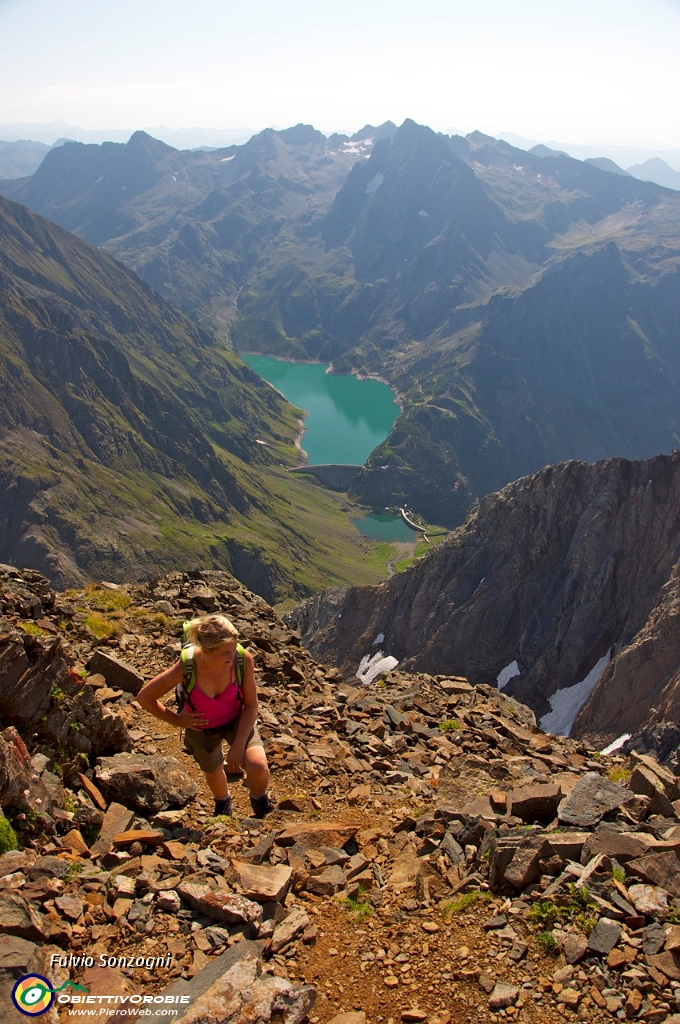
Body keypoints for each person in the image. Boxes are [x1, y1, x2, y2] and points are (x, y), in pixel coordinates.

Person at [137, 614, 275, 818]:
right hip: (200, 727)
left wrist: (238, 746)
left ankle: (260, 799)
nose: (233, 656)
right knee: (213, 770)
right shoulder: (188, 666)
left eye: (234, 649)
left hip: (236, 718)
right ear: (207, 651)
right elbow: (145, 697)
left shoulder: (242, 660)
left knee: (258, 765)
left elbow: (252, 705)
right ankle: (223, 802)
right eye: (226, 653)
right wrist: (177, 720)